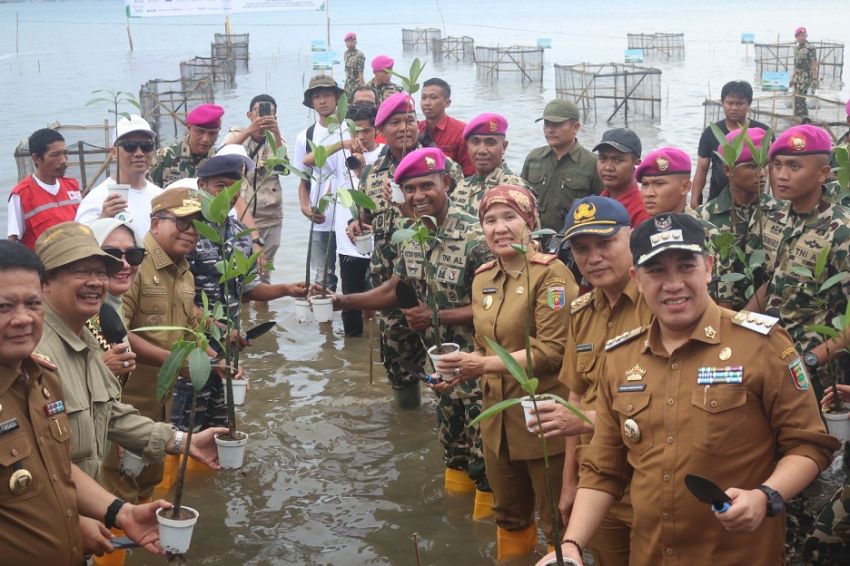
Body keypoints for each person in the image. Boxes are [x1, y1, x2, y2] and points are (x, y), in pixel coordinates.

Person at [538, 213, 840, 566]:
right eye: (657, 272)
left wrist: (765, 495)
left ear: (708, 267)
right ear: (637, 278)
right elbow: (604, 469)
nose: (673, 284)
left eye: (686, 266)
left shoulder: (761, 345)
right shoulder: (620, 358)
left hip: (738, 555)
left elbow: (809, 444)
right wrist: (572, 545)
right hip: (650, 554)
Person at [0, 240, 174, 562]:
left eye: (32, 304)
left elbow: (54, 468)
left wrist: (121, 514)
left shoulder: (41, 377)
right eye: (4, 307)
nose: (22, 318)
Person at [334, 147, 492, 499]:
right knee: (452, 451)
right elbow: (395, 289)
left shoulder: (476, 238)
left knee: (486, 463)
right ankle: (454, 530)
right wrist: (341, 301)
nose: (418, 196)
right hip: (441, 370)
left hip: (479, 368)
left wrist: (436, 316)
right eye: (410, 189)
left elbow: (495, 307)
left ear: (446, 183)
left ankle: (491, 543)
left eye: (426, 186)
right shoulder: (409, 234)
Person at [436, 184, 577, 560]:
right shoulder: (483, 277)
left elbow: (552, 351)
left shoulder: (553, 276)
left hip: (541, 418)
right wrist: (463, 369)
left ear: (530, 221)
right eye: (489, 219)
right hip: (497, 421)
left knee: (558, 520)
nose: (499, 228)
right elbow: (486, 344)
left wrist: (481, 364)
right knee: (509, 515)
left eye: (510, 217)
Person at [33, 221, 225, 481]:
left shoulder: (87, 336)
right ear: (45, 282)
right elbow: (44, 466)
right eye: (81, 272)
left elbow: (109, 414)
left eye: (101, 273)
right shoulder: (34, 353)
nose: (95, 282)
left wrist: (182, 441)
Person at [534, 196, 651, 565]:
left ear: (631, 240)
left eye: (605, 244)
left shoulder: (661, 304)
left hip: (650, 477)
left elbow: (673, 405)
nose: (593, 257)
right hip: (597, 483)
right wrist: (570, 483)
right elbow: (577, 395)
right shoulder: (582, 312)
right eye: (582, 248)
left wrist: (582, 420)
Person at [173, 156, 307, 431]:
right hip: (191, 345)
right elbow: (176, 299)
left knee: (224, 423)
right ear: (201, 186)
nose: (228, 195)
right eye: (219, 187)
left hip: (229, 345)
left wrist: (287, 289)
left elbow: (247, 290)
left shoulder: (239, 234)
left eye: (235, 189)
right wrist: (214, 327)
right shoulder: (186, 233)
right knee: (186, 427)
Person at [346, 93, 462, 404]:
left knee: (449, 368)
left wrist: (407, 207)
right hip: (392, 288)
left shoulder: (442, 165)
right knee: (400, 365)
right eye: (395, 122)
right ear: (381, 129)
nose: (404, 128)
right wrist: (356, 223)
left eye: (409, 120)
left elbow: (460, 221)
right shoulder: (373, 173)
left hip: (439, 288)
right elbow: (364, 215)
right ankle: (408, 428)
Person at [696, 127, 779, 311]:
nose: (763, 173)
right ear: (728, 170)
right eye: (752, 165)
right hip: (716, 313)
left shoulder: (780, 215)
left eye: (765, 164)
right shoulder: (703, 217)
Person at [221, 94, 288, 283]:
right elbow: (222, 156)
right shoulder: (235, 135)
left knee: (264, 273)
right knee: (238, 275)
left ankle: (263, 313)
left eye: (271, 114)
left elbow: (282, 168)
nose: (264, 117)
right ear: (249, 114)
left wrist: (274, 133)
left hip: (270, 217)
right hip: (240, 218)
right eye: (259, 112)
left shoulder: (278, 140)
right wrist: (251, 130)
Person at [295, 75, 348, 293]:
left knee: (356, 272)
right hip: (321, 215)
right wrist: (305, 207)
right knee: (322, 277)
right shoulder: (305, 136)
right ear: (312, 102)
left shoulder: (351, 129)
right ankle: (324, 326)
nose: (322, 101)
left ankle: (359, 323)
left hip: (349, 214)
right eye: (317, 97)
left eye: (327, 95)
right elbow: (304, 179)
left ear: (337, 97)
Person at [521, 99, 603, 234]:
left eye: (557, 125)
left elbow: (601, 208)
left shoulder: (592, 163)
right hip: (534, 242)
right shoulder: (534, 159)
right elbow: (520, 200)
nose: (550, 130)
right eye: (546, 124)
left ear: (576, 127)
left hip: (573, 242)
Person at [75, 115, 163, 240]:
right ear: (114, 152)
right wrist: (103, 219)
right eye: (130, 146)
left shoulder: (160, 196)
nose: (139, 153)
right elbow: (81, 246)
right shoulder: (97, 200)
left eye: (146, 146)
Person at [336, 103, 383, 337]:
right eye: (355, 131)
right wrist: (343, 145)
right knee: (349, 300)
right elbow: (308, 161)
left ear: (376, 129)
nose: (361, 137)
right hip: (348, 243)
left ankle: (373, 347)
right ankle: (352, 349)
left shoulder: (385, 154)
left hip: (379, 241)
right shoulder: (340, 153)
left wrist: (363, 172)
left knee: (380, 298)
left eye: (366, 130)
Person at [690, 80, 769, 207]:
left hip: (755, 200)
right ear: (723, 103)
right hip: (718, 200)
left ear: (749, 104)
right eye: (730, 103)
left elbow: (773, 168)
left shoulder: (762, 133)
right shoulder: (711, 133)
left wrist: (778, 199)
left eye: (740, 104)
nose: (734, 108)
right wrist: (694, 201)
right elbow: (702, 168)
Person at [8, 128, 82, 249]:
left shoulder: (73, 186)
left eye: (65, 153)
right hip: (44, 265)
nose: (63, 160)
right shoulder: (21, 194)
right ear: (36, 158)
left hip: (76, 260)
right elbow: (13, 242)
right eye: (55, 155)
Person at [451, 112, 529, 216]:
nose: (482, 150)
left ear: (504, 147)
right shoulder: (462, 186)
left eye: (490, 142)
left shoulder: (515, 188)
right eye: (476, 142)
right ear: (467, 148)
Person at [148, 103, 224, 188]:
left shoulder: (219, 161)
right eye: (200, 131)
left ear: (219, 131)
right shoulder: (164, 157)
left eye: (212, 133)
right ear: (189, 128)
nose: (205, 139)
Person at [593, 128, 650, 227]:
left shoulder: (642, 210)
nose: (608, 167)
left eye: (618, 160)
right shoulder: (601, 199)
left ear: (636, 164)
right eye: (603, 159)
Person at [418, 78, 473, 176]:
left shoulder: (462, 132)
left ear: (447, 103)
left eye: (433, 97)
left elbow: (469, 172)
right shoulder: (417, 129)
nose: (426, 103)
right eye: (423, 97)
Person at [791, 27, 818, 118]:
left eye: (804, 35)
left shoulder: (810, 47)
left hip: (806, 77)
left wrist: (814, 79)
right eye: (800, 36)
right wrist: (792, 78)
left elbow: (814, 63)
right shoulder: (797, 48)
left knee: (801, 99)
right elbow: (795, 65)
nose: (802, 37)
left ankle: (804, 118)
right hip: (797, 77)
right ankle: (797, 117)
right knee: (795, 98)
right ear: (796, 37)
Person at [343, 32, 365, 96]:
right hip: (348, 84)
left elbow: (361, 72)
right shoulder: (346, 53)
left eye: (352, 41)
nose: (350, 43)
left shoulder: (359, 55)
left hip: (356, 84)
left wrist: (362, 87)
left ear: (356, 42)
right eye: (348, 41)